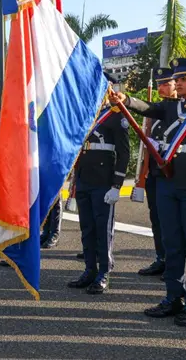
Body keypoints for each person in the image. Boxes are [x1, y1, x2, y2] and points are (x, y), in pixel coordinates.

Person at [111, 58, 186, 327]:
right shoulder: (170, 107)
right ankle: (173, 297)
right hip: (168, 185)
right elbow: (147, 108)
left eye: (184, 79)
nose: (178, 83)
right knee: (172, 245)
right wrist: (126, 99)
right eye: (178, 79)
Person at [68, 75, 130, 295]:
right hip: (84, 179)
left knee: (103, 229)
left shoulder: (115, 115)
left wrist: (117, 185)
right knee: (87, 228)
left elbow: (124, 153)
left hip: (104, 181)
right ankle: (89, 269)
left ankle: (104, 271)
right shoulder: (84, 116)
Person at [137, 67, 178, 277]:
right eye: (159, 84)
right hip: (154, 173)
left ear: (176, 84)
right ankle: (161, 258)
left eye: (166, 83)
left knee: (173, 223)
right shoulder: (158, 109)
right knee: (157, 219)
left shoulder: (183, 110)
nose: (162, 87)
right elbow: (145, 108)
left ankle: (174, 264)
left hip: (172, 174)